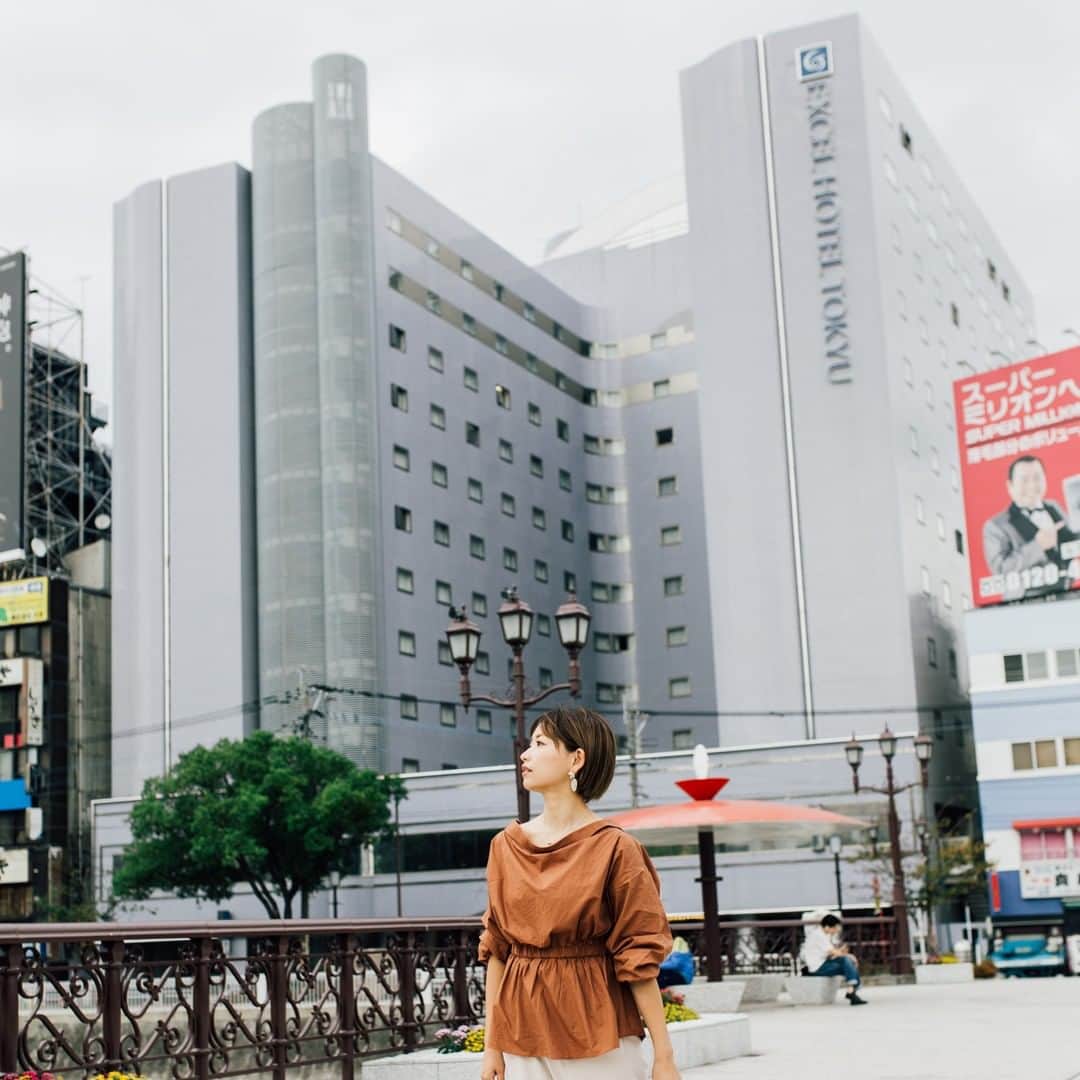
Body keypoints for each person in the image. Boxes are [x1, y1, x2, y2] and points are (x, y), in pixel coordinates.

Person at [478, 705, 679, 1079]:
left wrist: (664, 1056)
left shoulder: (617, 848)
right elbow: (498, 949)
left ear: (577, 759)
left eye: (540, 743)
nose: (525, 754)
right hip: (523, 1031)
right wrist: (492, 1047)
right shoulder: (505, 846)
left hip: (597, 1028)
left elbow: (637, 955)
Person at [983, 455, 1078, 600]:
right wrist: (1038, 546)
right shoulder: (995, 525)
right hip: (1025, 602)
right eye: (1024, 480)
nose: (1032, 485)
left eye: (1037, 478)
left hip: (1067, 594)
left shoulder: (1054, 506)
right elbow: (1001, 570)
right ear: (1010, 486)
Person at [803, 914, 867, 1006]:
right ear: (827, 927)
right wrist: (849, 956)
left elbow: (831, 955)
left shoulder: (823, 935)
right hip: (817, 968)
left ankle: (851, 991)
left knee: (847, 962)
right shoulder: (818, 936)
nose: (836, 930)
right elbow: (834, 952)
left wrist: (843, 953)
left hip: (823, 964)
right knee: (847, 961)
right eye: (835, 928)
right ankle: (851, 991)